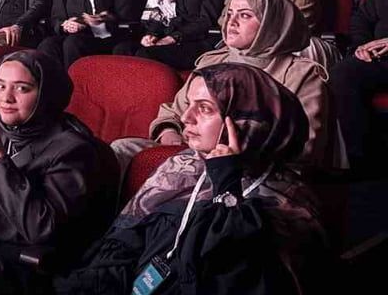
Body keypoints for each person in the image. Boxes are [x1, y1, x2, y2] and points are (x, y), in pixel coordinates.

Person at [59, 64, 326, 295]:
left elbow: (231, 274)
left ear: (247, 122)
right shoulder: (182, 167)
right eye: (189, 105)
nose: (186, 118)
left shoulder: (287, 200)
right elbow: (126, 242)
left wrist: (226, 183)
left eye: (205, 108)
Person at [0, 50, 118, 288]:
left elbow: (40, 227)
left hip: (14, 264)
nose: (6, 98)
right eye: (0, 86)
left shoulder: (74, 150)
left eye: (22, 88)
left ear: (46, 95)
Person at [116, 0, 332, 167]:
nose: (232, 22)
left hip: (250, 166)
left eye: (245, 15)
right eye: (230, 14)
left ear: (271, 23)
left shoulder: (302, 75)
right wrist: (169, 132)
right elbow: (174, 111)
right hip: (191, 148)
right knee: (122, 149)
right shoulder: (212, 61)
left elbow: (304, 145)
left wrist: (225, 152)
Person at [334, 0, 388, 170]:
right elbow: (362, 18)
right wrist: (361, 46)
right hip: (380, 56)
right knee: (344, 73)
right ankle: (357, 159)